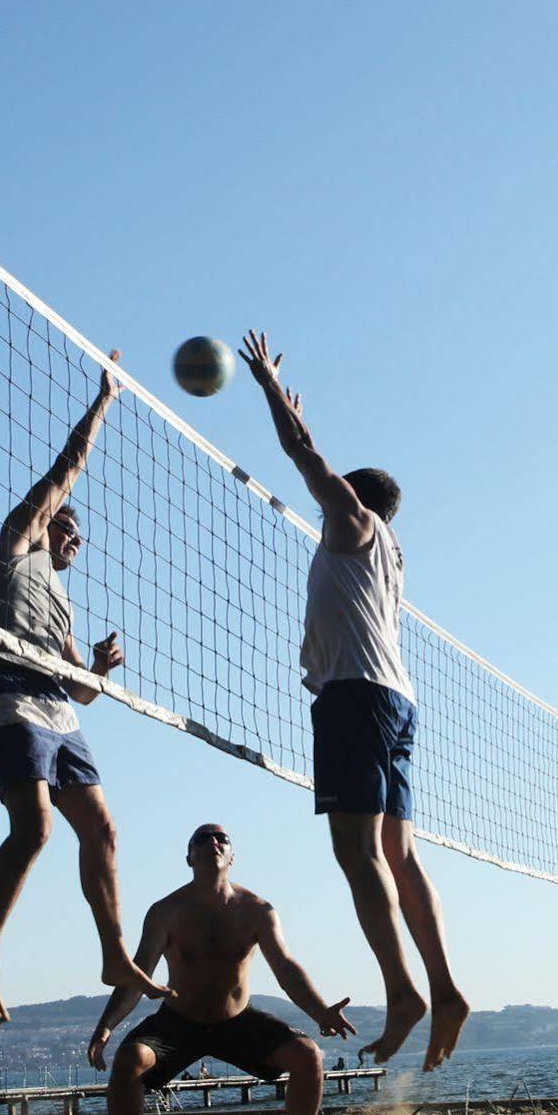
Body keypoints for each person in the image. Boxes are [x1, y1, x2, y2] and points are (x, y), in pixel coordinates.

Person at [237, 330, 469, 1071]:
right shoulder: (390, 553)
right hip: (395, 700)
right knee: (399, 852)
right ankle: (443, 985)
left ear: (355, 498)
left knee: (354, 849)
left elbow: (305, 455)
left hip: (357, 698)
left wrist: (270, 387)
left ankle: (404, 989)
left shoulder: (353, 521)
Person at [0, 350, 168, 1025]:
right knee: (36, 827)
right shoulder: (16, 547)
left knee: (102, 827)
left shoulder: (62, 599)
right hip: (3, 687)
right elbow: (66, 468)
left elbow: (80, 691)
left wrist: (99, 672)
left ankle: (112, 951)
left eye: (80, 534)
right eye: (68, 526)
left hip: (54, 703)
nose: (75, 537)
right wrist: (105, 399)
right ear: (44, 523)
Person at [87, 822, 356, 1115]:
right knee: (128, 1060)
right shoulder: (165, 911)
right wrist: (106, 1025)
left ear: (232, 856)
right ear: (188, 857)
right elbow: (136, 976)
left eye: (221, 839)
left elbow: (286, 969)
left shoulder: (257, 910)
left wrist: (320, 1012)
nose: (212, 842)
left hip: (237, 1022)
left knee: (308, 1055)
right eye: (201, 839)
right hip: (177, 1023)